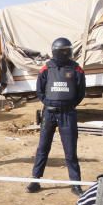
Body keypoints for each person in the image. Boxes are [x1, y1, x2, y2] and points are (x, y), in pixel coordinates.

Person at [26, 37, 85, 196]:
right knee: (43, 148)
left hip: (68, 114)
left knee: (70, 151)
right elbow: (40, 91)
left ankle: (76, 184)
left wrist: (68, 104)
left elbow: (81, 93)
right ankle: (35, 180)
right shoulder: (46, 68)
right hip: (49, 113)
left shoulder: (76, 69)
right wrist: (49, 103)